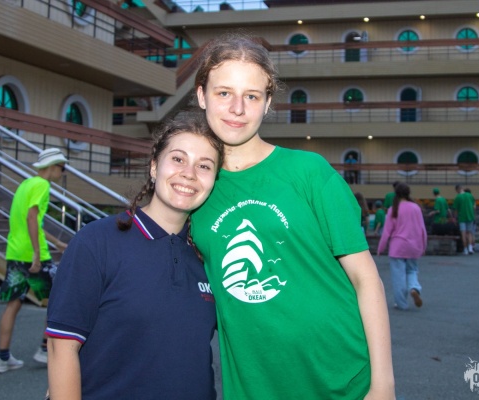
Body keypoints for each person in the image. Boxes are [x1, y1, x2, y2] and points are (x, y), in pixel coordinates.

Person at [191, 33, 394, 399]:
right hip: (255, 386)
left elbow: (366, 279)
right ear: (202, 95)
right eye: (224, 93)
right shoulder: (196, 191)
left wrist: (383, 385)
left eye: (252, 96)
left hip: (344, 381)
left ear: (267, 103)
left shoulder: (309, 172)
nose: (237, 108)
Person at [46, 112, 224, 399]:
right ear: (154, 166)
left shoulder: (210, 255)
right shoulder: (96, 243)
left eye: (204, 166)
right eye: (178, 159)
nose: (189, 173)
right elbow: (61, 348)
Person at [0, 148, 69, 374]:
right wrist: (37, 253)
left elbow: (33, 222)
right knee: (58, 298)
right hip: (34, 256)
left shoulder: (25, 185)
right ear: (53, 166)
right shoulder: (43, 185)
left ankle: (2, 358)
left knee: (13, 303)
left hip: (15, 253)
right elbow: (32, 217)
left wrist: (56, 242)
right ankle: (45, 349)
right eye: (62, 167)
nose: (63, 172)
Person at [377, 183, 427, 311]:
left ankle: (401, 303)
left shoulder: (393, 209)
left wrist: (380, 248)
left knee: (398, 276)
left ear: (396, 194)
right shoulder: (416, 208)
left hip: (397, 247)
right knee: (412, 270)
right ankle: (414, 288)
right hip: (413, 246)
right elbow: (422, 229)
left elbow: (387, 232)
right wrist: (423, 245)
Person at [453, 184, 476, 255]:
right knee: (469, 233)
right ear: (462, 188)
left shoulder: (458, 197)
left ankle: (465, 249)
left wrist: (454, 218)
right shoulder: (470, 195)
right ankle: (470, 248)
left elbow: (456, 209)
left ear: (457, 189)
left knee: (463, 233)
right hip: (470, 216)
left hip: (462, 217)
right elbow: (473, 206)